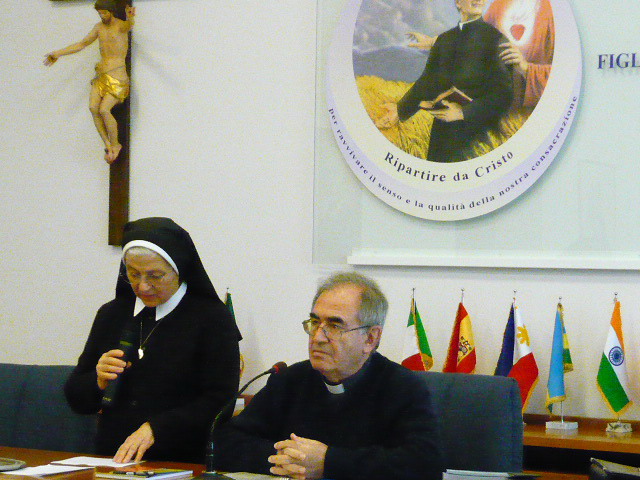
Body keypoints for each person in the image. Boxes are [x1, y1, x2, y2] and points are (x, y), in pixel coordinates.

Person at [212, 272, 443, 480]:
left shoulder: (404, 387)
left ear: (370, 339)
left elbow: (425, 466)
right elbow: (225, 443)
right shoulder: (290, 380)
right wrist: (290, 458)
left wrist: (328, 462)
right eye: (315, 322)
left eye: (334, 326)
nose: (318, 338)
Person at [64, 217, 242, 463]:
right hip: (111, 459)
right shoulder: (112, 314)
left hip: (182, 461)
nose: (143, 286)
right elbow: (77, 400)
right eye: (133, 274)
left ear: (179, 269)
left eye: (155, 276)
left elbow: (220, 402)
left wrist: (157, 428)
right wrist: (98, 380)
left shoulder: (212, 319)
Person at [377, 0, 513, 163]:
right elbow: (428, 82)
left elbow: (504, 94)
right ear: (458, 3)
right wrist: (400, 111)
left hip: (477, 135)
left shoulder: (496, 40)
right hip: (442, 131)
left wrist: (463, 113)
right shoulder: (445, 39)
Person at [44, 0, 135, 164]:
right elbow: (82, 44)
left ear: (111, 11)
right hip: (101, 76)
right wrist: (58, 53)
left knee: (104, 109)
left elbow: (129, 26)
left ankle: (116, 144)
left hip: (117, 76)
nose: (102, 16)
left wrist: (131, 18)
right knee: (93, 108)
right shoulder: (98, 28)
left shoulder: (120, 26)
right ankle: (107, 144)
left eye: (104, 13)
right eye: (99, 13)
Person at [484, 0, 554, 108]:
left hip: (538, 110)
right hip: (497, 106)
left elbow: (567, 77)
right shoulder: (497, 6)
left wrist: (527, 69)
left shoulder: (553, 12)